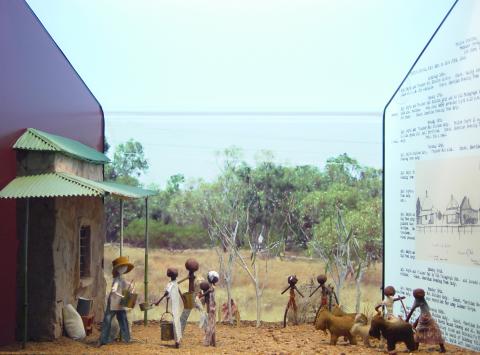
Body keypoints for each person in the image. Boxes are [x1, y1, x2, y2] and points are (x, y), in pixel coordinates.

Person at [99, 256, 134, 346]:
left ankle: (127, 339)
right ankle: (103, 340)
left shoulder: (121, 279)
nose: (125, 268)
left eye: (125, 266)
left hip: (120, 303)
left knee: (123, 320)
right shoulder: (116, 280)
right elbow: (113, 290)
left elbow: (125, 284)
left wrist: (131, 286)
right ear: (118, 268)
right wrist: (122, 295)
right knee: (108, 320)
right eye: (123, 266)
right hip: (114, 302)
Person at [406, 288, 446, 353]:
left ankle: (442, 348)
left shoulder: (420, 300)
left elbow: (413, 311)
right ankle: (416, 347)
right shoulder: (419, 300)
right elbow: (419, 311)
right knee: (420, 331)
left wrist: (407, 320)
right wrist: (411, 320)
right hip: (425, 317)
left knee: (434, 330)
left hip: (426, 318)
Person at [155, 267, 183, 348]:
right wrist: (183, 299)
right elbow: (179, 292)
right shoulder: (175, 282)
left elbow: (166, 293)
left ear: (169, 275)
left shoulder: (170, 284)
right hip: (176, 304)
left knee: (175, 321)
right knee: (176, 321)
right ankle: (178, 339)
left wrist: (158, 301)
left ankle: (177, 340)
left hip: (173, 304)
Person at [199, 271, 219, 346]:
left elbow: (207, 292)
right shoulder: (211, 287)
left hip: (211, 308)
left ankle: (207, 342)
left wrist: (201, 295)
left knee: (210, 326)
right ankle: (213, 342)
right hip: (211, 308)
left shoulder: (211, 288)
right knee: (212, 325)